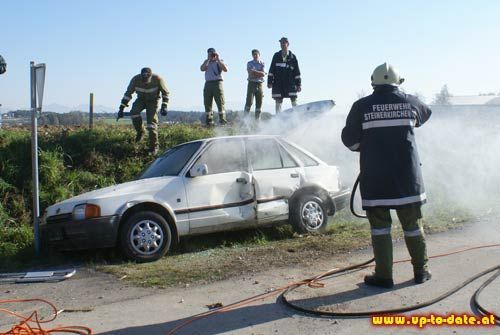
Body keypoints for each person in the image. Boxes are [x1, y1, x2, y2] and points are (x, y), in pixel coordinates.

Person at [341, 63, 432, 289]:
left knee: (380, 228)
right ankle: (421, 271)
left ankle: (384, 276)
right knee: (412, 226)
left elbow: (349, 140)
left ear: (373, 82)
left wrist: (367, 146)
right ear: (397, 82)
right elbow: (425, 114)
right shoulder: (411, 102)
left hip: (376, 178)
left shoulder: (361, 106)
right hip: (407, 179)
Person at [118, 67, 169, 155]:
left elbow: (165, 93)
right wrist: (121, 108)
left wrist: (164, 105)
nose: (145, 80)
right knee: (134, 112)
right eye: (143, 78)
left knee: (151, 124)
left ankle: (154, 147)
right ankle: (140, 132)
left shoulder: (158, 79)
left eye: (147, 79)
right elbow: (128, 94)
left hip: (153, 101)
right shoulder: (135, 79)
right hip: (141, 99)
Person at [267, 37, 301, 114]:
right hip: (278, 83)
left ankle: (298, 116)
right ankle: (278, 119)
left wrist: (298, 84)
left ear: (287, 44)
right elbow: (271, 70)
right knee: (278, 100)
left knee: (294, 99)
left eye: (283, 43)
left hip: (290, 83)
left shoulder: (293, 57)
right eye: (281, 43)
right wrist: (269, 82)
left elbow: (297, 72)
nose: (282, 44)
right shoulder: (276, 56)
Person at [200, 48, 228, 126]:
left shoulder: (220, 61)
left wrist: (218, 59)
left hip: (218, 83)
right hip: (208, 83)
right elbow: (202, 69)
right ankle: (209, 121)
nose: (212, 55)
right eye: (210, 53)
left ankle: (222, 121)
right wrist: (208, 60)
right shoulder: (206, 62)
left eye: (213, 53)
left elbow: (225, 69)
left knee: (220, 102)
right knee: (207, 103)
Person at [244, 49, 266, 120]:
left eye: (256, 54)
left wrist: (255, 72)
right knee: (249, 102)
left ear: (259, 55)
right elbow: (250, 74)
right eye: (253, 54)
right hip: (251, 84)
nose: (255, 56)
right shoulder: (249, 63)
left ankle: (257, 121)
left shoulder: (262, 63)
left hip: (259, 84)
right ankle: (245, 119)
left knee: (259, 103)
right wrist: (259, 73)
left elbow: (263, 74)